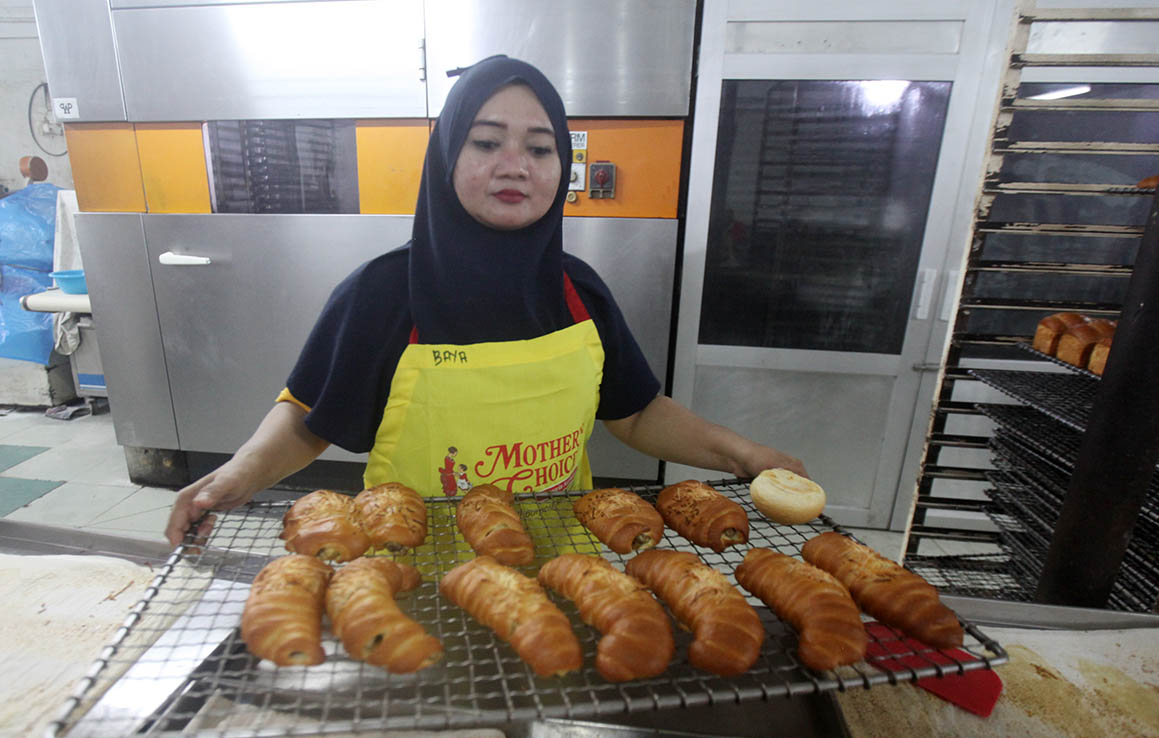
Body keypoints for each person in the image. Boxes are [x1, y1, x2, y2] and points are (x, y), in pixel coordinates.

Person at [164, 55, 805, 546]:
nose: (515, 165)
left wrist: (744, 454)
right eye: (486, 141)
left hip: (563, 565)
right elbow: (308, 421)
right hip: (415, 577)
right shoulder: (384, 293)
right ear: (447, 155)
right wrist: (233, 478)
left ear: (561, 168)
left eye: (540, 147)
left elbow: (636, 416)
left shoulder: (577, 291)